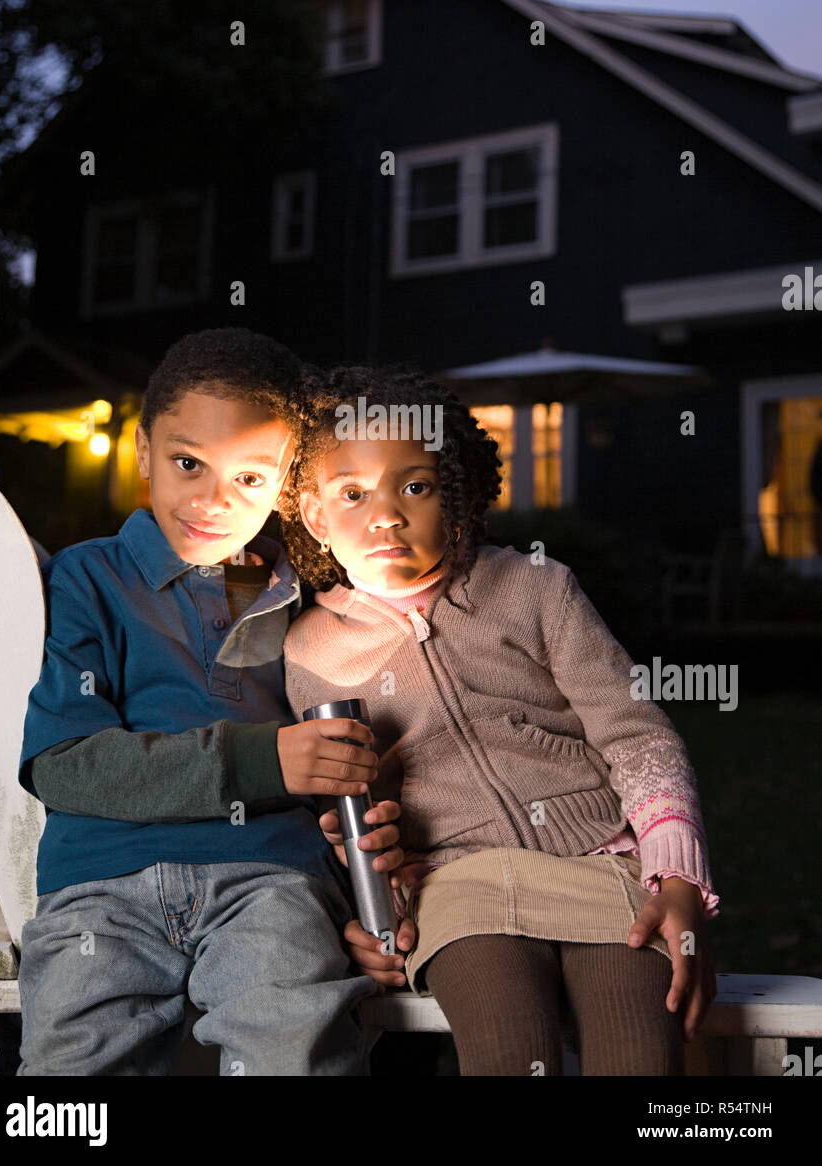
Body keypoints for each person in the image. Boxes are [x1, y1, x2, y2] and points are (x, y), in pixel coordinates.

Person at [279, 363, 721, 1077]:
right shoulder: (310, 650)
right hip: (456, 889)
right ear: (316, 516)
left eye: (414, 486)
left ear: (455, 496)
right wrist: (361, 903)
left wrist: (676, 879)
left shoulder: (537, 588)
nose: (385, 515)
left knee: (640, 1054)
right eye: (352, 494)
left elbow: (636, 733)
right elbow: (337, 811)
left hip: (600, 867)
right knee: (510, 1056)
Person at [16, 327, 407, 1077]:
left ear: (289, 480)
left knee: (294, 1044)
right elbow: (67, 766)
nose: (213, 501)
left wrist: (372, 870)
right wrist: (265, 760)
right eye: (188, 463)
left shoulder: (311, 605)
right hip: (102, 885)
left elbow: (354, 777)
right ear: (142, 451)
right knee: (73, 1070)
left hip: (270, 882)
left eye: (251, 479)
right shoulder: (86, 581)